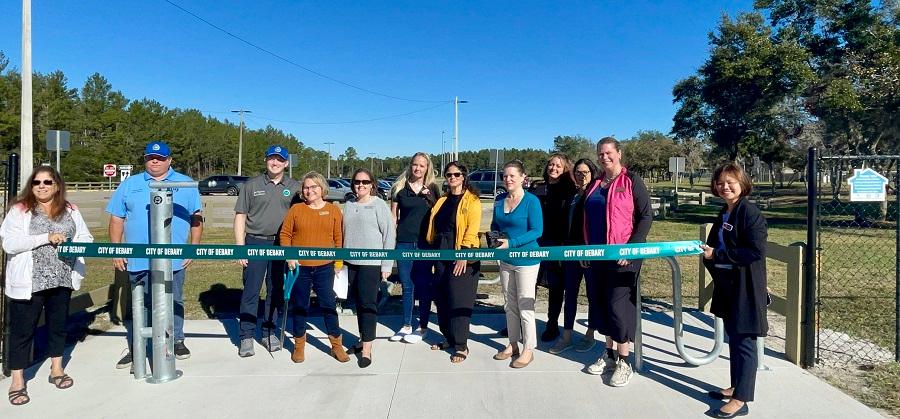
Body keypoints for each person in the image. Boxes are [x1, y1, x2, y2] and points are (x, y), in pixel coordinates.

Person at [107, 141, 203, 370]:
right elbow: (116, 218)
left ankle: (176, 339)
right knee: (140, 303)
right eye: (151, 158)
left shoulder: (186, 184)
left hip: (173, 258)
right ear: (145, 160)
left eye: (160, 158)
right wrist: (117, 249)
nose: (155, 162)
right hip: (139, 258)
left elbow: (196, 217)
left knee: (174, 298)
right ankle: (138, 346)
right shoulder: (130, 184)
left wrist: (193, 247)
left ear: (170, 160)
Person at [2, 167, 93, 406]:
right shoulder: (20, 210)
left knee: (58, 327)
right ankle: (18, 380)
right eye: (36, 182)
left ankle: (56, 369)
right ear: (31, 186)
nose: (42, 186)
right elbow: (10, 244)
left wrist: (72, 245)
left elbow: (86, 238)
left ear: (57, 185)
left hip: (61, 279)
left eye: (47, 182)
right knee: (23, 331)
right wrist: (46, 237)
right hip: (29, 282)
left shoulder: (71, 210)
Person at [700, 163, 768, 418]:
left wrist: (717, 253)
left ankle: (742, 399)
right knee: (734, 338)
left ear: (742, 183)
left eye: (730, 182)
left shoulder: (749, 213)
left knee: (745, 341)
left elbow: (755, 251)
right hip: (728, 285)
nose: (724, 187)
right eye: (720, 183)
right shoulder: (726, 211)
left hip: (745, 288)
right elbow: (715, 242)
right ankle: (736, 386)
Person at [583, 137, 652, 387]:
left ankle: (625, 360)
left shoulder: (631, 181)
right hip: (597, 256)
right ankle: (609, 354)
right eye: (600, 154)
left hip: (624, 258)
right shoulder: (595, 184)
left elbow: (646, 216)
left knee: (617, 305)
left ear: (619, 153)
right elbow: (587, 220)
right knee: (601, 304)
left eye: (609, 153)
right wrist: (586, 251)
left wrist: (631, 249)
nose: (604, 157)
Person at [233, 145, 301, 357]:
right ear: (266, 161)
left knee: (276, 290)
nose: (275, 163)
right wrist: (239, 248)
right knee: (251, 290)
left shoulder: (295, 187)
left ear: (286, 163)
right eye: (271, 158)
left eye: (279, 160)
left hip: (282, 245)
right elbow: (240, 216)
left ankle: (269, 331)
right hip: (255, 242)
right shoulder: (251, 185)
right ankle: (246, 336)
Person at [280, 171, 349, 364]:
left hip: (325, 267)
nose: (309, 190)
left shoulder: (334, 210)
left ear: (322, 189)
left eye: (313, 187)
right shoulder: (296, 210)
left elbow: (338, 239)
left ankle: (336, 345)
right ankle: (299, 345)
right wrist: (290, 256)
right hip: (300, 268)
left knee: (328, 305)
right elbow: (285, 235)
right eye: (306, 187)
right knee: (301, 305)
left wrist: (338, 262)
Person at [425, 161, 482, 363]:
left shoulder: (472, 201)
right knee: (442, 298)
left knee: (459, 299)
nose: (452, 178)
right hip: (440, 252)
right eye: (449, 175)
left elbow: (472, 230)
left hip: (462, 254)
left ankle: (461, 345)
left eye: (457, 174)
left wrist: (463, 255)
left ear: (464, 176)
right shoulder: (442, 200)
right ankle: (448, 338)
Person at [491, 160, 543, 368]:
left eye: (512, 175)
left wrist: (512, 243)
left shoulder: (531, 201)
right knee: (509, 304)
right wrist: (494, 237)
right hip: (505, 260)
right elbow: (495, 224)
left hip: (527, 260)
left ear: (523, 178)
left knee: (525, 305)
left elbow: (537, 231)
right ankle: (512, 343)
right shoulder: (499, 200)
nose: (508, 179)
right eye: (505, 176)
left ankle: (528, 348)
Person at [343, 168, 396, 368]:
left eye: (365, 182)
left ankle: (367, 348)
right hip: (351, 263)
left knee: (368, 304)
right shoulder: (348, 205)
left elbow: (389, 235)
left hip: (371, 264)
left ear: (372, 184)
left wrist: (386, 264)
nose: (361, 185)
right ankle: (362, 338)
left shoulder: (379, 205)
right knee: (358, 303)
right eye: (357, 182)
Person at [389, 152, 439, 344]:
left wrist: (430, 198)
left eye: (422, 165)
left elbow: (438, 213)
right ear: (410, 166)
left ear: (428, 168)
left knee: (423, 285)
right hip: (403, 242)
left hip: (425, 244)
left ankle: (423, 327)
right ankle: (407, 324)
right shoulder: (399, 188)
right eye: (415, 165)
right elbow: (394, 216)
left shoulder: (433, 188)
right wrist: (391, 239)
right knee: (406, 285)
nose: (417, 168)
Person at [552, 158, 600, 355]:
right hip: (570, 253)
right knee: (569, 294)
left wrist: (587, 250)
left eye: (585, 172)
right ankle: (567, 335)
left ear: (592, 173)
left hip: (588, 254)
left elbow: (596, 226)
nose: (581, 176)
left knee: (592, 295)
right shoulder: (572, 195)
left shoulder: (596, 195)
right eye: (578, 172)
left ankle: (590, 334)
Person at [535, 153, 577, 343]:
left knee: (555, 286)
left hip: (557, 245)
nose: (553, 168)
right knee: (529, 284)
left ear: (565, 168)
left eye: (558, 166)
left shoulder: (569, 190)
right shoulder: (537, 188)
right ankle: (519, 321)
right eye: (551, 164)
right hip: (535, 243)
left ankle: (552, 324)